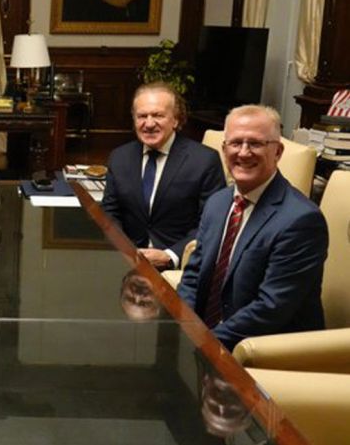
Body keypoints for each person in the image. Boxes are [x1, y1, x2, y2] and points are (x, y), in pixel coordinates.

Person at [177, 105, 328, 350]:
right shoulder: (218, 203)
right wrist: (181, 326)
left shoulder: (301, 221)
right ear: (224, 149)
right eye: (235, 143)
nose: (244, 153)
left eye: (256, 144)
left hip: (268, 352)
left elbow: (271, 308)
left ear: (278, 151)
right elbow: (194, 276)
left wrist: (204, 342)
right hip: (211, 341)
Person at [102, 82, 225, 270]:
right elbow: (110, 212)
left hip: (180, 267)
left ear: (176, 120)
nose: (149, 124)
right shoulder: (120, 157)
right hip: (126, 262)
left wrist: (171, 255)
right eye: (142, 116)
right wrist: (123, 249)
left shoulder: (204, 161)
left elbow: (212, 223)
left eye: (158, 115)